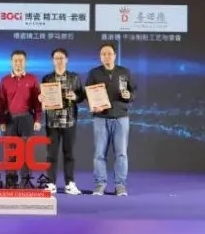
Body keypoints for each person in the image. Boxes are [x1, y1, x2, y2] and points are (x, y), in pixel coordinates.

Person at [85, 41, 136, 196]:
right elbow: (88, 93)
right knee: (99, 154)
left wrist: (129, 95)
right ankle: (100, 184)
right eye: (103, 54)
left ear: (115, 55)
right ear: (100, 56)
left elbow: (133, 91)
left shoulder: (124, 72)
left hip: (121, 117)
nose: (106, 56)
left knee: (121, 154)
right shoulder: (94, 73)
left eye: (109, 53)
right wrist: (93, 105)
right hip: (101, 117)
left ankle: (120, 185)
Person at [39, 48, 85, 195]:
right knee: (51, 154)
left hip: (69, 120)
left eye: (61, 58)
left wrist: (75, 97)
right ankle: (51, 182)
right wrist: (41, 98)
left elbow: (82, 95)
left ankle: (69, 183)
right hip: (52, 121)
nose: (59, 61)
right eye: (56, 58)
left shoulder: (74, 77)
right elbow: (43, 96)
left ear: (67, 60)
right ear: (53, 61)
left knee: (69, 153)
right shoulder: (47, 78)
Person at [0, 50, 42, 183]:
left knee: (27, 152)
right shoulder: (5, 80)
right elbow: (1, 102)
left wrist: (37, 119)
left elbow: (37, 101)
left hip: (27, 118)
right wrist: (2, 121)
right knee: (10, 152)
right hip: (10, 119)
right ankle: (11, 182)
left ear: (25, 62)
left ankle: (25, 182)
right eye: (15, 60)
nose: (18, 63)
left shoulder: (32, 79)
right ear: (11, 62)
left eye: (21, 60)